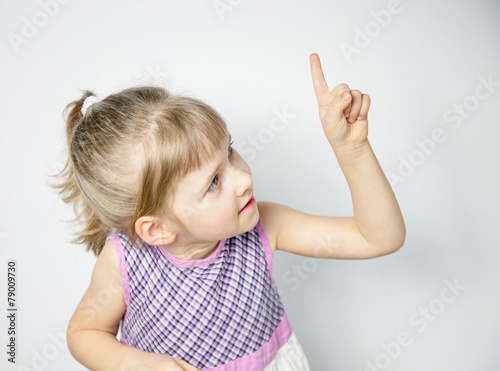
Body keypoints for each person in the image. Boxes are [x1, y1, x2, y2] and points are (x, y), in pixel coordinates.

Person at [54, 53, 405, 371]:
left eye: (231, 152)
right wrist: (140, 365)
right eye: (213, 182)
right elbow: (84, 332)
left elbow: (377, 238)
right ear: (156, 230)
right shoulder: (125, 261)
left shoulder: (267, 225)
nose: (244, 179)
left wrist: (352, 149)